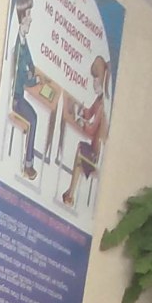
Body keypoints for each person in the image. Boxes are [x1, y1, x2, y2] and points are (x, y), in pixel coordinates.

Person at [62, 55, 109, 208]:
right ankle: (70, 192)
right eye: (93, 78)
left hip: (95, 154)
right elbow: (89, 113)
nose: (94, 82)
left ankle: (71, 193)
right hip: (92, 148)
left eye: (96, 79)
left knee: (81, 152)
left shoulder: (103, 105)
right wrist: (81, 110)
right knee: (80, 149)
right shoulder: (99, 99)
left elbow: (92, 129)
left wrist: (82, 123)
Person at [9, 0, 42, 181]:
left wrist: (33, 71)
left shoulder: (23, 42)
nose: (31, 18)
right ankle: (28, 165)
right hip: (15, 99)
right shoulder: (18, 46)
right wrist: (33, 79)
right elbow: (24, 79)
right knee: (33, 119)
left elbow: (30, 62)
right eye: (28, 14)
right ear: (22, 17)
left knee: (35, 117)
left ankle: (28, 162)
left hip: (19, 94)